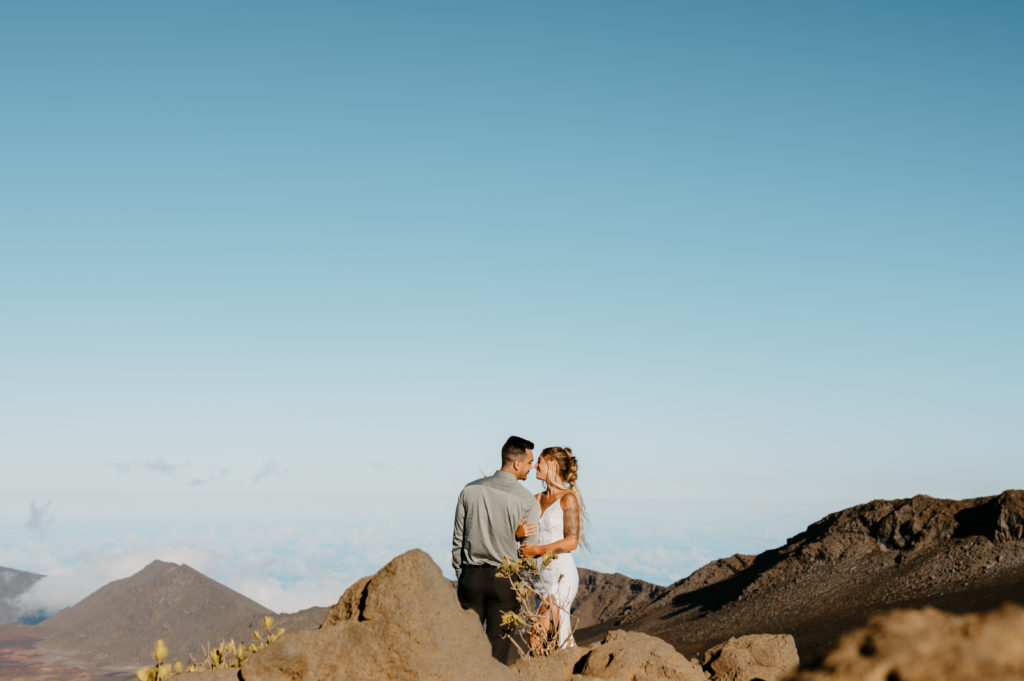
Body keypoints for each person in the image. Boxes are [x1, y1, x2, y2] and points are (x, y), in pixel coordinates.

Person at [452, 435, 541, 663]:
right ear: (517, 464)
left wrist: (462, 575)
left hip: (471, 577)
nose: (532, 467)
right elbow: (529, 550)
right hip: (506, 582)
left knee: (465, 650)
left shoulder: (469, 491)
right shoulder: (527, 502)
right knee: (498, 656)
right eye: (530, 462)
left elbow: (458, 540)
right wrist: (521, 583)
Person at [519, 446, 584, 650]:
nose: (536, 466)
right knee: (550, 639)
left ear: (553, 464)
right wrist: (518, 533)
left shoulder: (568, 498)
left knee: (539, 638)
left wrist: (537, 551)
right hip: (541, 579)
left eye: (540, 461)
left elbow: (571, 541)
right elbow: (522, 530)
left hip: (561, 575)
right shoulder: (536, 499)